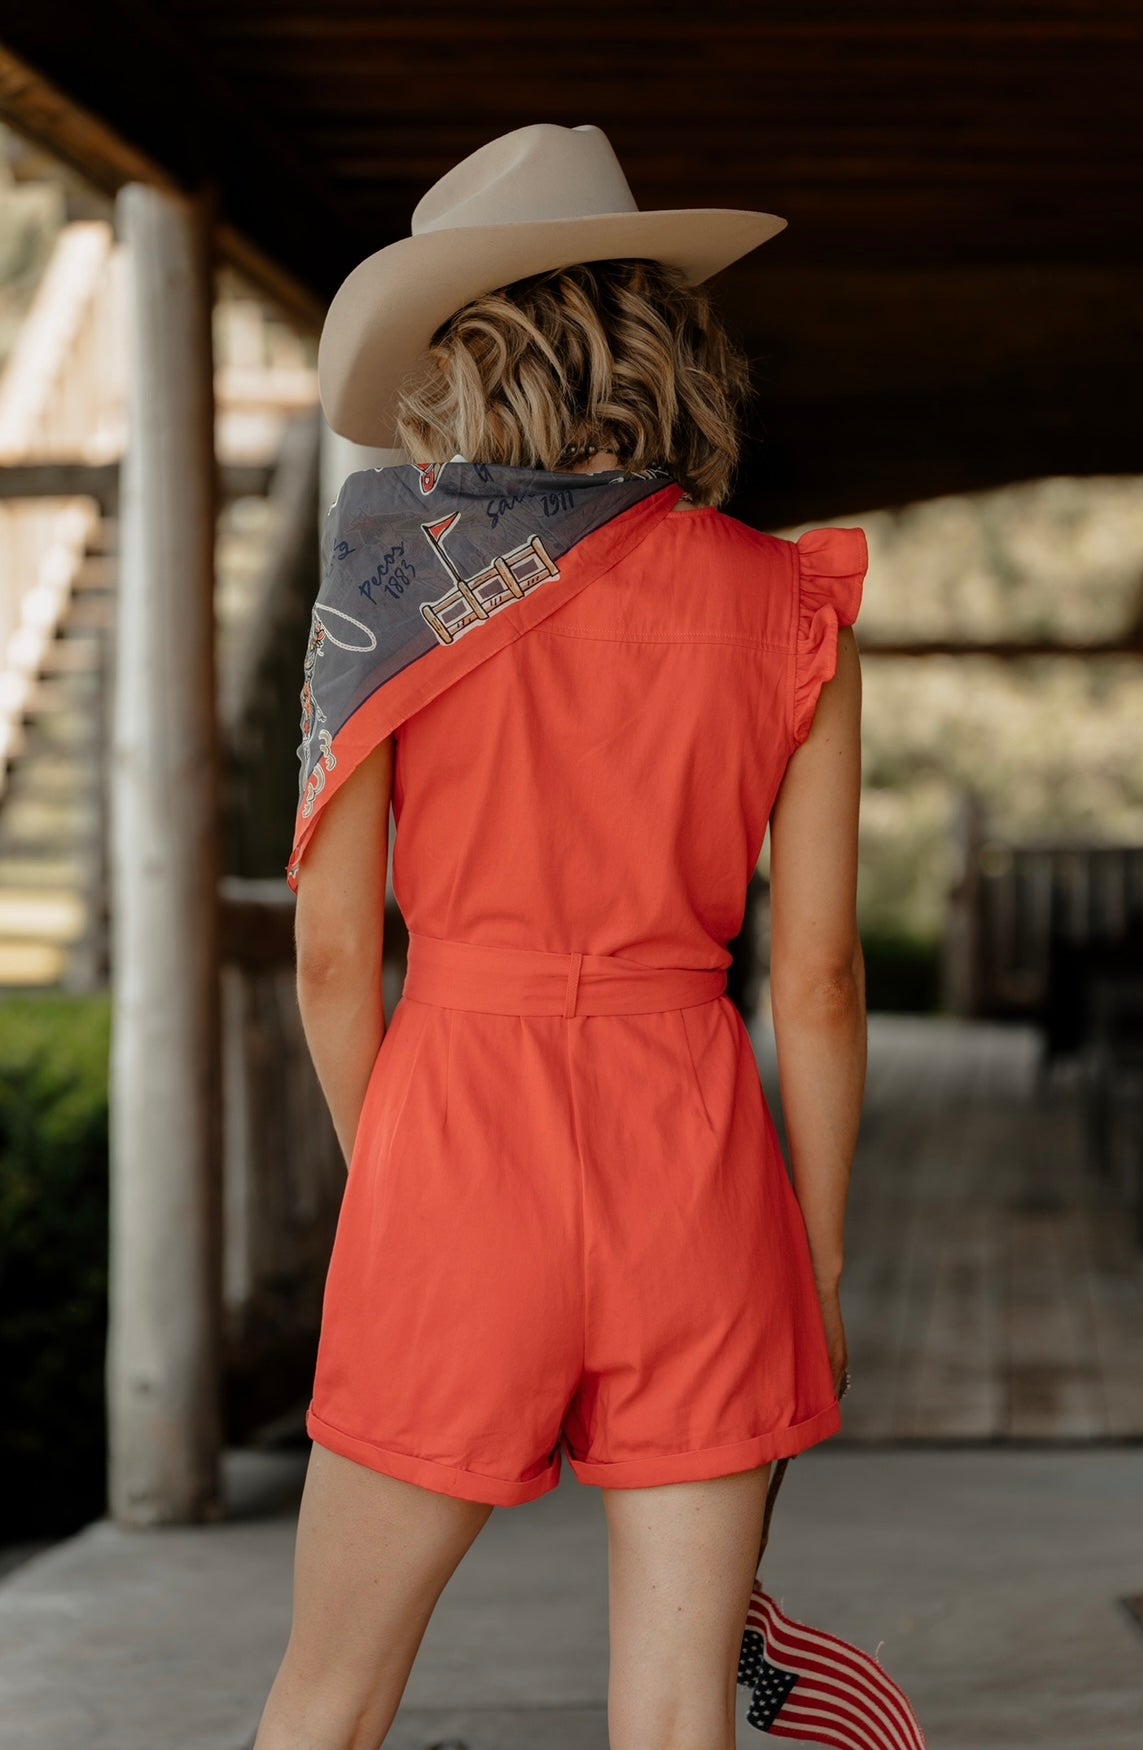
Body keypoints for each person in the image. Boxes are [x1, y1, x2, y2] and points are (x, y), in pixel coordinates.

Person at [256, 122, 867, 1750]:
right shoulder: (785, 605)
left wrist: (395, 1179)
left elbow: (331, 959)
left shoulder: (394, 588)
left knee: (330, 1693)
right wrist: (807, 1252)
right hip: (697, 1162)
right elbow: (814, 979)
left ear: (466, 358)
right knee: (679, 1711)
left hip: (456, 1138)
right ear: (664, 342)